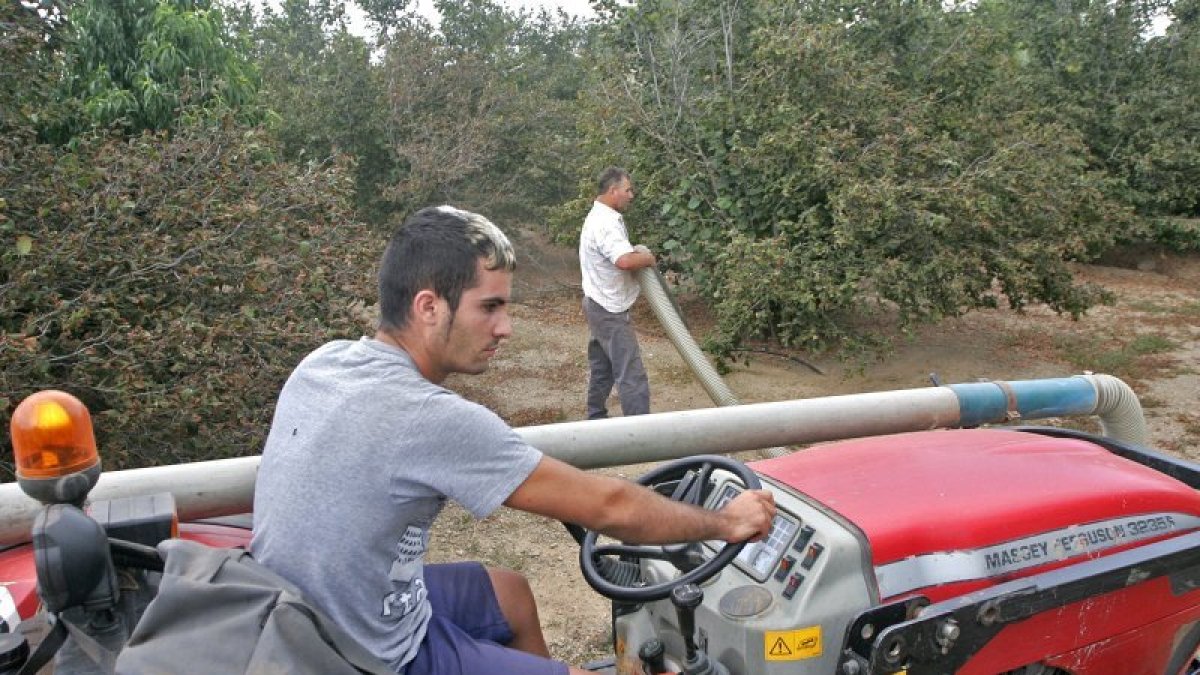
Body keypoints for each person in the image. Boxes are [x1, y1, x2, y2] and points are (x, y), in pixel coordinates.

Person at [250, 205, 775, 675]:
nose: (505, 328)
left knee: (512, 595)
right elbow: (609, 506)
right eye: (489, 307)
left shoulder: (325, 362)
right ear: (429, 306)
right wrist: (727, 522)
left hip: (303, 607)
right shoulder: (429, 418)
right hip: (358, 652)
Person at [579, 167, 656, 420]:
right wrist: (647, 258)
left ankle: (596, 418)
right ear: (613, 191)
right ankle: (641, 433)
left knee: (603, 367)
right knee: (630, 372)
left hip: (597, 303)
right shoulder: (606, 222)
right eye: (627, 189)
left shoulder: (598, 217)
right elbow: (623, 260)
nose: (631, 195)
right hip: (609, 309)